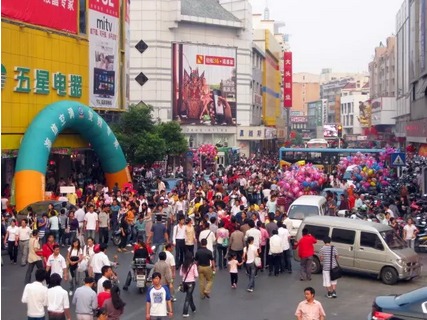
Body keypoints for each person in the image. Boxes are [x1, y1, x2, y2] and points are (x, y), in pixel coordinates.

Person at [180, 253, 198, 317]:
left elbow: (181, 274)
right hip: (191, 282)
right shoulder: (193, 265)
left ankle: (193, 308)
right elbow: (196, 275)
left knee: (189, 295)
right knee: (188, 297)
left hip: (184, 282)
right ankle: (185, 312)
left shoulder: (183, 265)